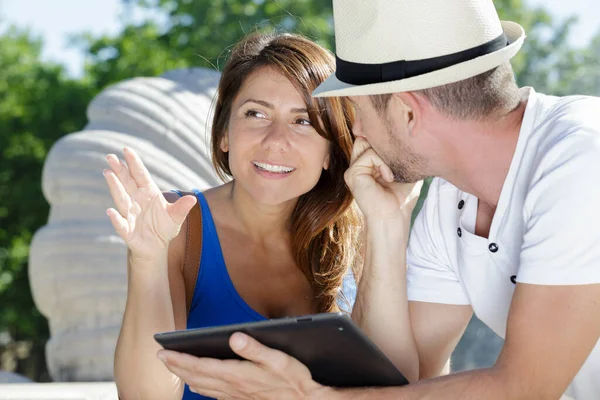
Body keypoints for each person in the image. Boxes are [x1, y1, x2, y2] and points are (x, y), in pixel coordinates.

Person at [155, 1, 600, 399]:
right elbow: (401, 381)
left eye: (360, 112)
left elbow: (525, 387)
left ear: (407, 113)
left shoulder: (582, 156)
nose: (357, 136)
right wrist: (387, 222)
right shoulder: (448, 195)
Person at [103, 31, 363, 400]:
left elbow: (404, 380)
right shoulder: (178, 225)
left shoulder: (355, 234)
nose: (275, 140)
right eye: (255, 113)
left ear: (330, 151)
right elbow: (147, 396)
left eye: (303, 121)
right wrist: (147, 259)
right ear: (224, 133)